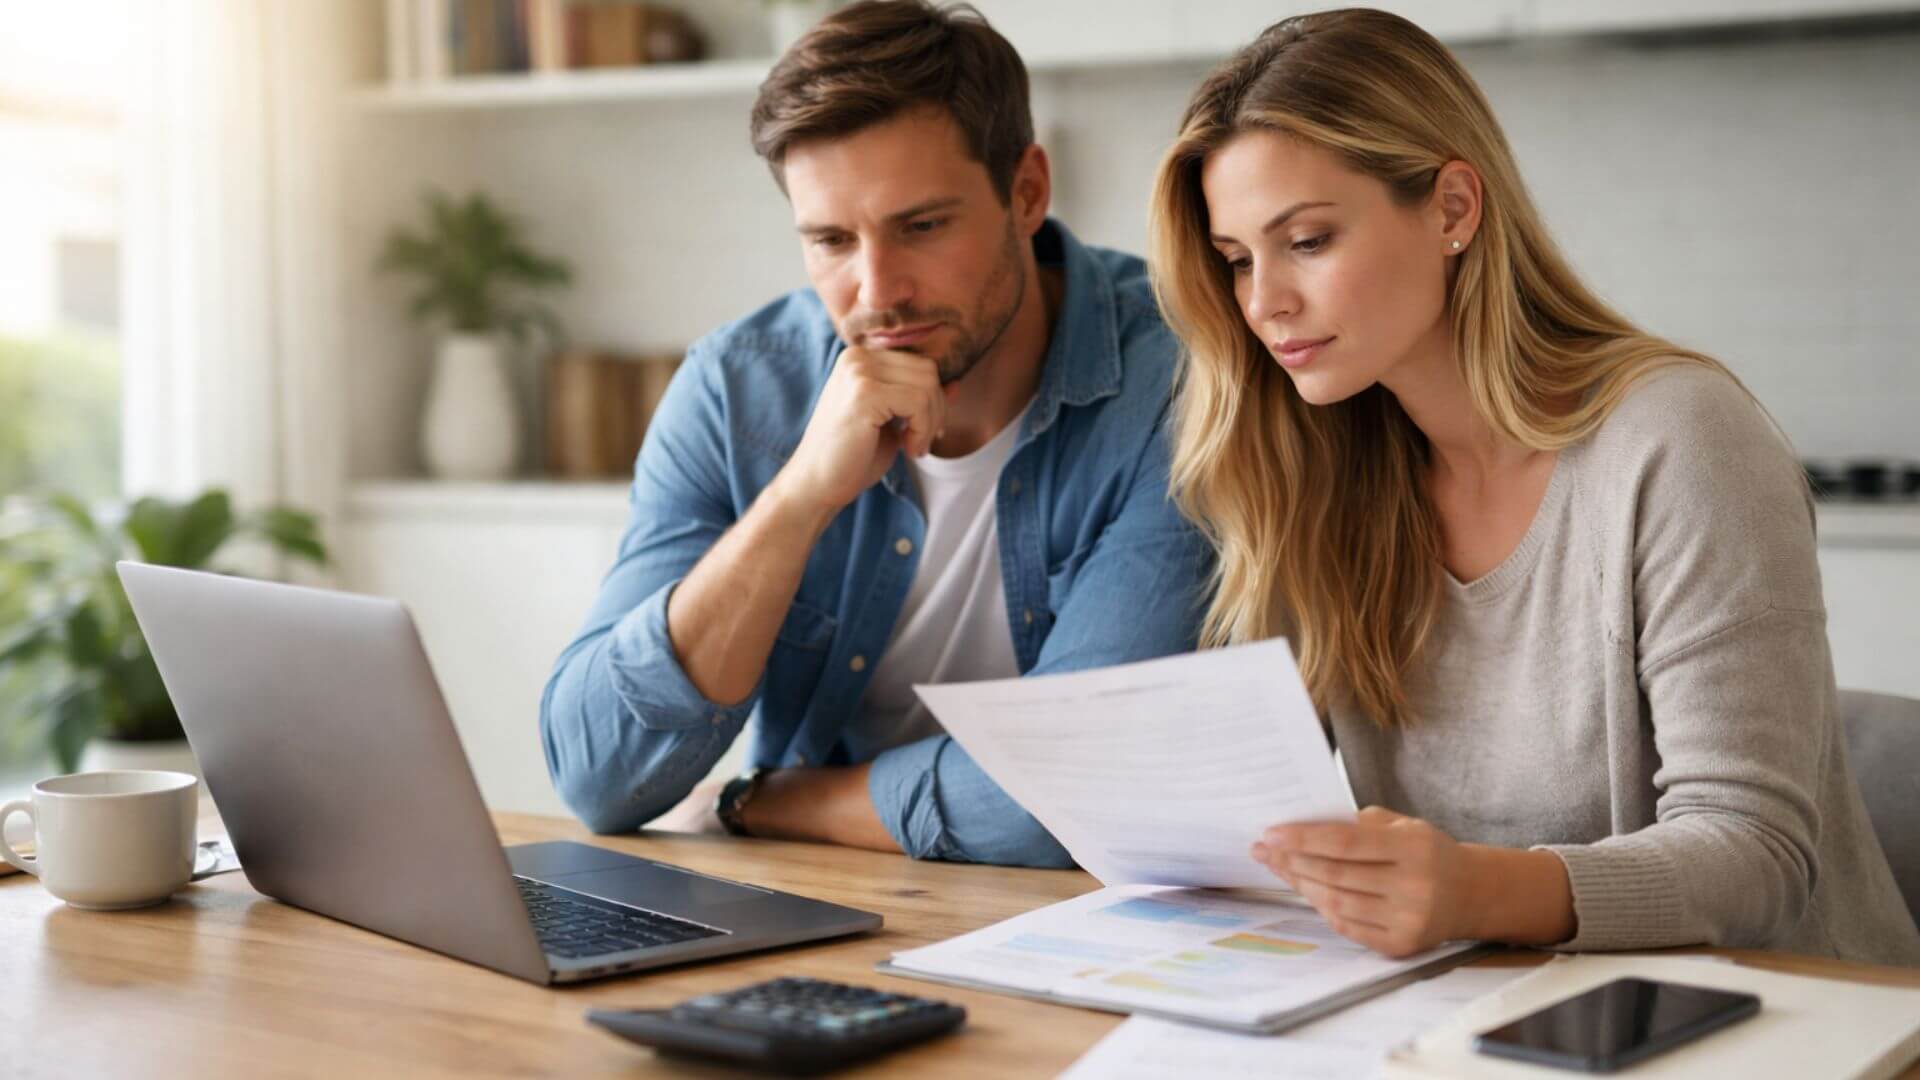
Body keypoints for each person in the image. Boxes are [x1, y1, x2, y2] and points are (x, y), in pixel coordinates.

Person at [1148, 7, 1920, 963]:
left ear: (1453, 210)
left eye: (1306, 241)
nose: (1263, 302)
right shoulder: (1326, 479)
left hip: (1796, 1021)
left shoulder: (1678, 442)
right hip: (1499, 1016)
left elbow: (1756, 855)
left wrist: (1474, 890)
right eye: (1235, 262)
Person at [540, 1, 1211, 867]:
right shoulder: (739, 389)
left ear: (1027, 192)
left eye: (921, 226)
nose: (876, 290)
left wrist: (765, 801)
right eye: (829, 240)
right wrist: (799, 497)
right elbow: (598, 773)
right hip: (812, 906)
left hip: (1077, 924)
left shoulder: (1181, 383)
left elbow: (1072, 794)